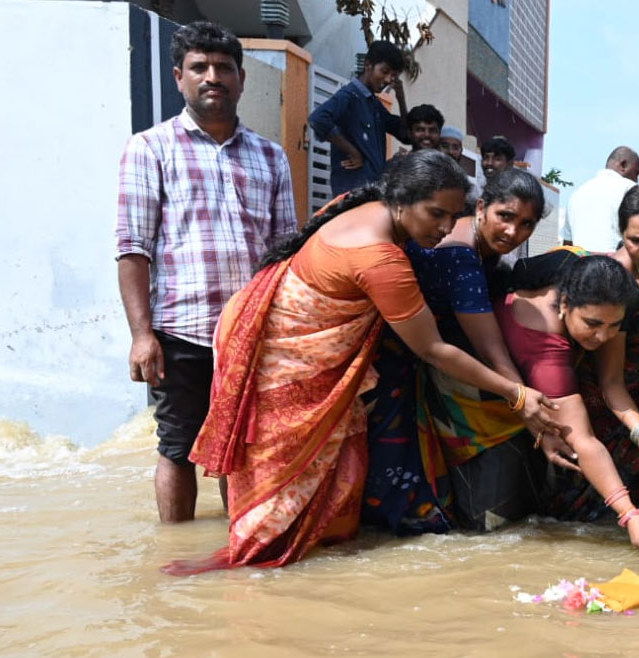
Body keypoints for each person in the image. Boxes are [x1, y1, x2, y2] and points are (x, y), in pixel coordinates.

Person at [163, 151, 562, 574]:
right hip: (290, 356)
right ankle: (238, 565)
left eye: (452, 216)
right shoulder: (383, 258)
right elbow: (432, 349)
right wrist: (516, 394)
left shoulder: (367, 206)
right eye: (436, 214)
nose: (445, 228)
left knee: (315, 468)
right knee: (280, 474)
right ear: (403, 201)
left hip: (271, 330)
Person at [115, 21, 297, 523]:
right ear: (179, 77)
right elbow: (132, 250)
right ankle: (175, 558)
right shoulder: (149, 148)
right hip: (181, 331)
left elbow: (286, 252)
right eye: (200, 67)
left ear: (241, 80)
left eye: (223, 68)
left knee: (248, 448)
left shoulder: (271, 156)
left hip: (254, 332)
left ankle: (238, 553)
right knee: (177, 447)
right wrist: (140, 335)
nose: (212, 77)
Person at [364, 169, 555, 533]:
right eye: (506, 216)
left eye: (527, 224)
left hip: (419, 354)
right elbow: (491, 348)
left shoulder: (472, 245)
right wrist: (524, 403)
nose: (514, 233)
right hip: (398, 364)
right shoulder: (459, 257)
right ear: (482, 207)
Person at [496, 253, 639, 556]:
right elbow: (583, 441)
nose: (603, 336)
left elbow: (611, 383)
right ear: (564, 305)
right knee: (500, 523)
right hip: (487, 408)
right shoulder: (546, 339)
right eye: (593, 324)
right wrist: (629, 513)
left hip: (548, 391)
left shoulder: (604, 296)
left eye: (614, 326)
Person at [576, 184, 639, 501]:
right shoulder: (616, 278)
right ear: (622, 235)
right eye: (636, 240)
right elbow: (611, 381)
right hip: (616, 400)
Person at [308, 40, 411, 196]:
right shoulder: (349, 95)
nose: (389, 79)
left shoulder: (374, 105)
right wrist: (353, 151)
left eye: (393, 75)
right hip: (352, 196)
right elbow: (317, 119)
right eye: (384, 71)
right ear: (368, 65)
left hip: (371, 194)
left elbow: (406, 135)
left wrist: (401, 100)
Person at [562, 146, 639, 253]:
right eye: (636, 173)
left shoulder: (576, 194)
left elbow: (567, 246)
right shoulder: (630, 189)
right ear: (623, 165)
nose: (637, 179)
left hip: (581, 266)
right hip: (616, 265)